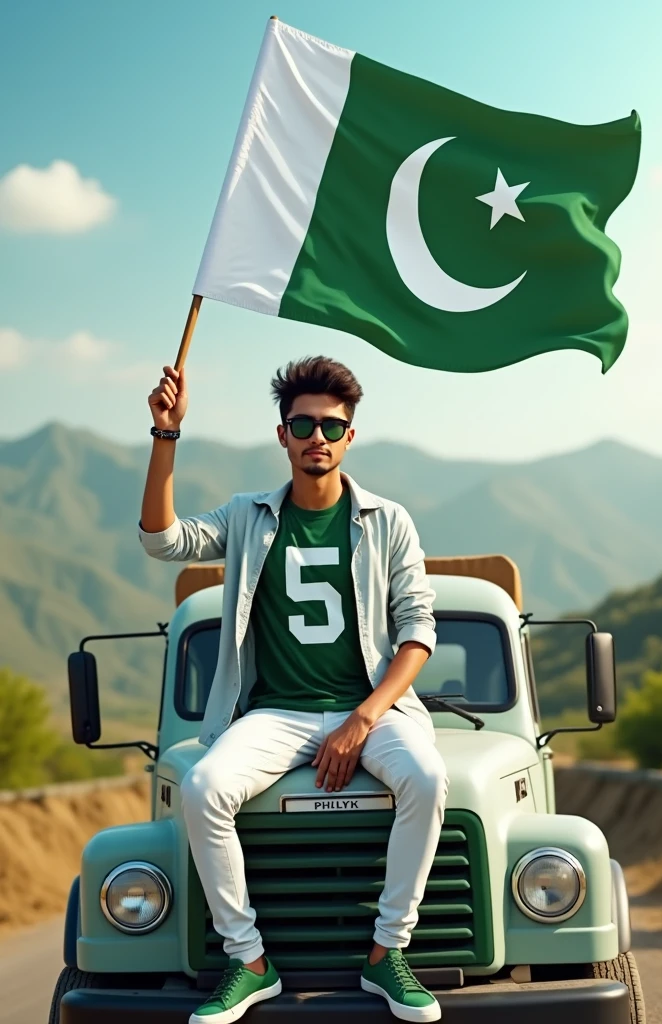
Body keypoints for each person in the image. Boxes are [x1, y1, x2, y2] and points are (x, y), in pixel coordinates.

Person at [139, 356, 448, 1023]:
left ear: (349, 436)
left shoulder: (388, 521)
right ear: (282, 434)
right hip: (275, 713)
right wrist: (167, 435)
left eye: (331, 425)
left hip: (371, 706)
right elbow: (162, 541)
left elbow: (418, 629)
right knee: (202, 788)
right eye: (302, 423)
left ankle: (387, 952)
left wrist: (363, 720)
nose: (317, 436)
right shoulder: (247, 518)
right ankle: (248, 960)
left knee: (426, 775)